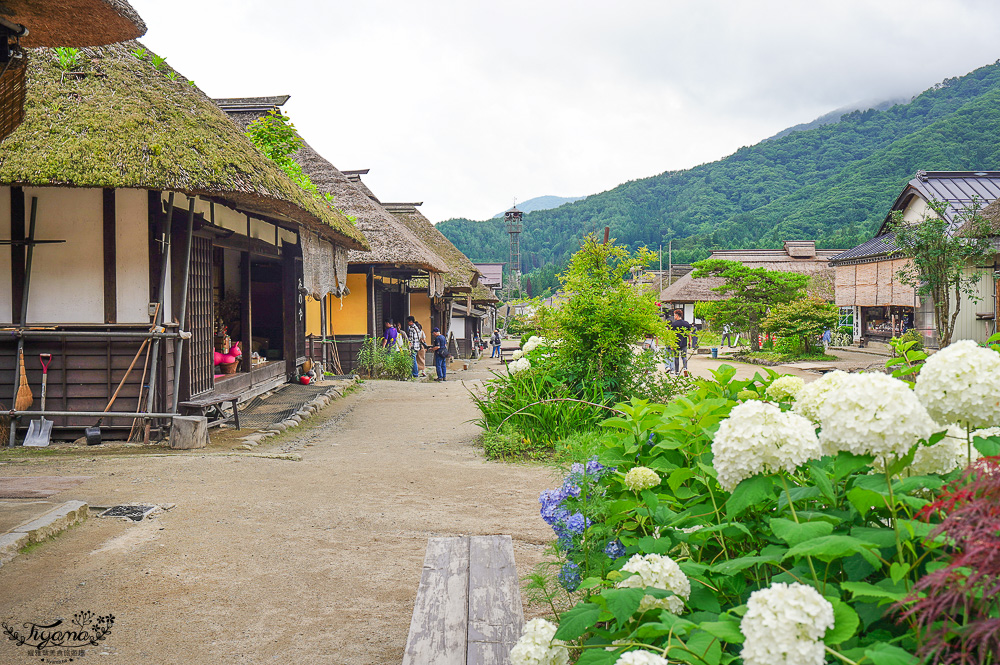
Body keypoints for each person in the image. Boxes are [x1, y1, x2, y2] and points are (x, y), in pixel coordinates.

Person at [669, 308, 693, 375]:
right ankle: (685, 368)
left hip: (676, 343)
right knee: (684, 357)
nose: (674, 316)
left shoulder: (674, 324)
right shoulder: (686, 323)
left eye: (674, 315)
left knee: (676, 357)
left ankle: (676, 371)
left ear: (677, 315)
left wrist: (671, 344)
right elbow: (689, 334)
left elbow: (671, 335)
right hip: (684, 343)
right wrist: (690, 342)